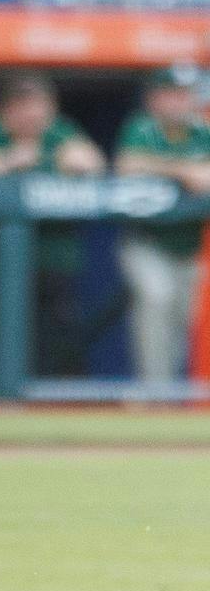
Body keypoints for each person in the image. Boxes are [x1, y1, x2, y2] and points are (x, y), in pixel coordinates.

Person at [0, 74, 105, 377]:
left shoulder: (61, 133)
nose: (31, 113)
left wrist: (49, 159)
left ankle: (49, 410)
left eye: (38, 105)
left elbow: (90, 161)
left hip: (49, 259)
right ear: (4, 109)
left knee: (54, 342)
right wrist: (9, 162)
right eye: (21, 104)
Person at [113, 65, 210, 391]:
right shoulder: (142, 129)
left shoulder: (202, 132)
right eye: (173, 95)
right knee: (156, 300)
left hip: (190, 246)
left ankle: (170, 393)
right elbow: (128, 164)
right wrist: (183, 170)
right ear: (155, 98)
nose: (180, 102)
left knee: (186, 321)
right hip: (147, 241)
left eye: (186, 95)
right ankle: (156, 394)